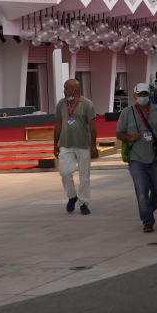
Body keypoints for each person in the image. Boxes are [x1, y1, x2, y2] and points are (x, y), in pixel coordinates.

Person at [115, 82, 157, 233]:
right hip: (136, 159)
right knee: (142, 191)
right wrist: (131, 138)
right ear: (135, 96)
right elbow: (119, 133)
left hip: (155, 158)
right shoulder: (127, 112)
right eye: (140, 95)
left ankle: (148, 210)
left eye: (145, 94)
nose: (143, 97)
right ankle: (147, 221)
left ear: (149, 95)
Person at [53, 78, 98, 214]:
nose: (64, 90)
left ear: (75, 90)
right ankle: (72, 196)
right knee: (65, 172)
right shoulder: (61, 104)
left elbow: (92, 126)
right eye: (64, 88)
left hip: (83, 145)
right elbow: (58, 124)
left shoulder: (87, 104)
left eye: (67, 88)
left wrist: (93, 145)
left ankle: (84, 202)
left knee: (84, 175)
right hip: (66, 144)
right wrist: (55, 144)